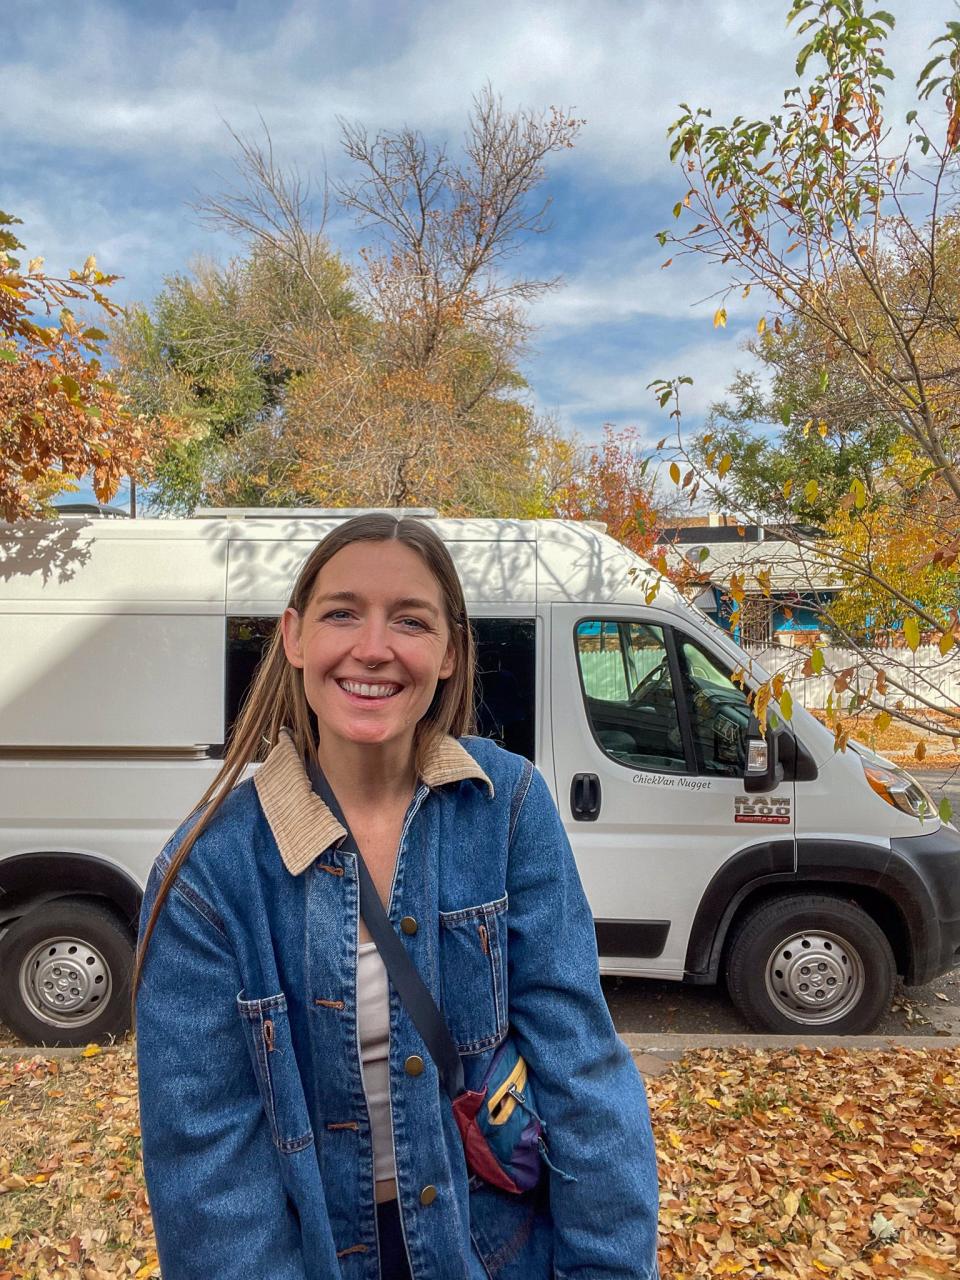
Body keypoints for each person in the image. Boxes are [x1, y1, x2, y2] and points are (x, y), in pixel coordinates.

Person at [134, 513, 660, 1280]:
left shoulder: (506, 805)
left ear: (449, 653)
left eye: (409, 620)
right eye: (342, 612)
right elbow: (208, 1168)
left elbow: (581, 1071)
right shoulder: (208, 874)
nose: (373, 647)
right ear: (294, 637)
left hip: (496, 1248)